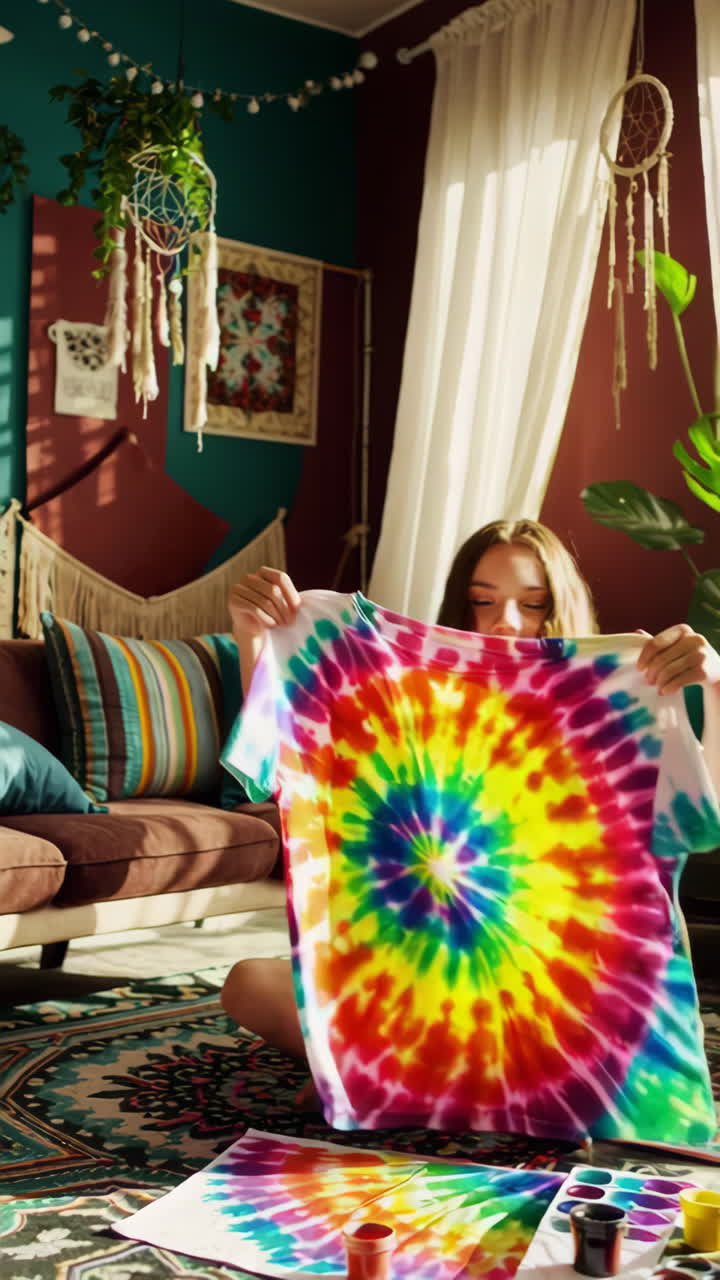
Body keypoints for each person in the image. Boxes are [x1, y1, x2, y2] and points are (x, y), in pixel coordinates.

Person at [220, 518, 720, 1068]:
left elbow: (701, 815)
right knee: (248, 984)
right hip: (443, 976)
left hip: (574, 987)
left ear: (561, 606)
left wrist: (715, 684)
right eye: (484, 601)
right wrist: (256, 636)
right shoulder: (424, 703)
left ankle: (414, 1071)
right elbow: (294, 766)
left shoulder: (609, 703)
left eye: (532, 604)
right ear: (460, 609)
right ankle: (437, 1071)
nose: (505, 623)